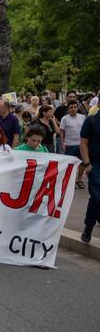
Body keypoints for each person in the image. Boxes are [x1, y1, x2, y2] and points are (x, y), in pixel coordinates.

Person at [80, 110, 100, 243]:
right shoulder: (91, 120)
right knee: (98, 198)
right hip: (95, 165)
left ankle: (90, 225)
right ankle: (88, 226)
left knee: (96, 200)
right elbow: (83, 143)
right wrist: (87, 163)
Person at [61, 100, 87, 188]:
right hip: (69, 144)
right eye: (71, 107)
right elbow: (62, 131)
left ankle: (79, 180)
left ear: (77, 107)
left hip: (81, 144)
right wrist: (63, 142)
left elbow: (86, 130)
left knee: (82, 163)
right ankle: (70, 181)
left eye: (75, 107)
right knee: (70, 164)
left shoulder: (82, 117)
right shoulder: (65, 118)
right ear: (68, 109)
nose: (73, 109)